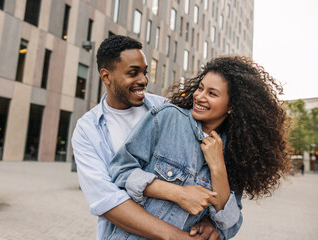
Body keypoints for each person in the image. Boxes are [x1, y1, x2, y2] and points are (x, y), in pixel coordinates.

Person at [108, 55, 293, 239]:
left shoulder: (236, 152)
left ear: (232, 106)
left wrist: (218, 166)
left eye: (212, 94)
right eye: (200, 88)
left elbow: (230, 222)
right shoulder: (167, 118)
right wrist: (178, 193)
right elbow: (120, 171)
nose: (199, 96)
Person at [72, 35, 221, 240]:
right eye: (133, 73)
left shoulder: (168, 110)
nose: (143, 80)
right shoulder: (87, 130)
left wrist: (208, 221)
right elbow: (106, 200)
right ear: (106, 76)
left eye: (144, 72)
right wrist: (177, 236)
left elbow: (200, 172)